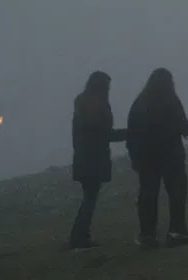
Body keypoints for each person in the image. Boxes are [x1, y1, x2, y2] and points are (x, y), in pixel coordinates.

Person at [126, 68, 188, 249]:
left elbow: (131, 133)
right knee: (177, 193)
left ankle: (147, 235)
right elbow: (181, 125)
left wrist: (135, 157)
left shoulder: (139, 103)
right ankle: (177, 231)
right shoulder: (170, 100)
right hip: (171, 156)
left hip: (146, 158)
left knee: (148, 195)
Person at [70, 71, 129, 250]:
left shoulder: (82, 106)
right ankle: (79, 237)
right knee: (90, 199)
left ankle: (80, 235)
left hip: (83, 158)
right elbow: (104, 134)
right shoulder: (96, 107)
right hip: (93, 159)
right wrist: (130, 132)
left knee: (89, 198)